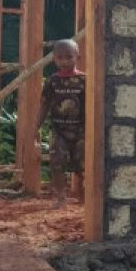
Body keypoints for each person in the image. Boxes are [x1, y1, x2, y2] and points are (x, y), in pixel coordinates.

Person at [36, 39, 85, 207]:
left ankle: (83, 197)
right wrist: (37, 126)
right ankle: (61, 197)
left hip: (81, 131)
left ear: (77, 57)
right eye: (60, 58)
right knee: (57, 163)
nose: (65, 61)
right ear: (54, 59)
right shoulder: (52, 81)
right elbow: (44, 103)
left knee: (82, 165)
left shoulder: (84, 80)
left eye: (69, 57)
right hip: (59, 130)